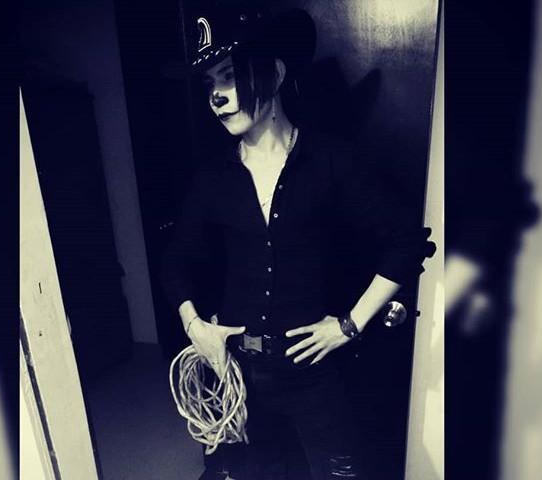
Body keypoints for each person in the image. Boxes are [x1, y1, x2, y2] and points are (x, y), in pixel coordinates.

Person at [162, 3, 432, 479]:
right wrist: (194, 326)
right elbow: (176, 259)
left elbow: (407, 241)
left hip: (317, 376)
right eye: (209, 84)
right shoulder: (213, 178)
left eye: (229, 77)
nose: (216, 97)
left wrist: (348, 325)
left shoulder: (331, 161)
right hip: (239, 373)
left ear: (275, 72)